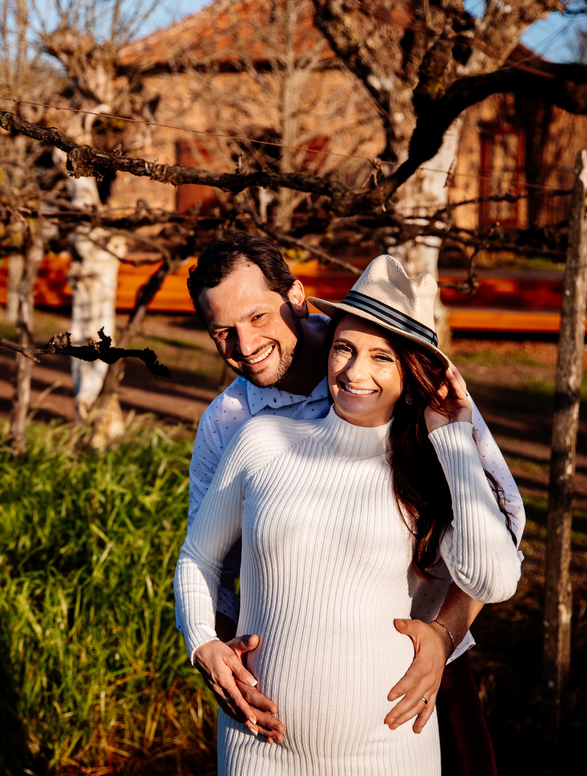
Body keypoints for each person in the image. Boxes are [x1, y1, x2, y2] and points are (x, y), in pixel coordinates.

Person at [183, 235, 525, 774]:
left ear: (297, 297)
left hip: (421, 671)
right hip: (270, 731)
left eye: (257, 316)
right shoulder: (231, 424)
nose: (244, 345)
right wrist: (215, 654)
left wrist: (444, 633)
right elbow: (208, 561)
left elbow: (498, 531)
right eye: (222, 331)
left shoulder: (415, 382)